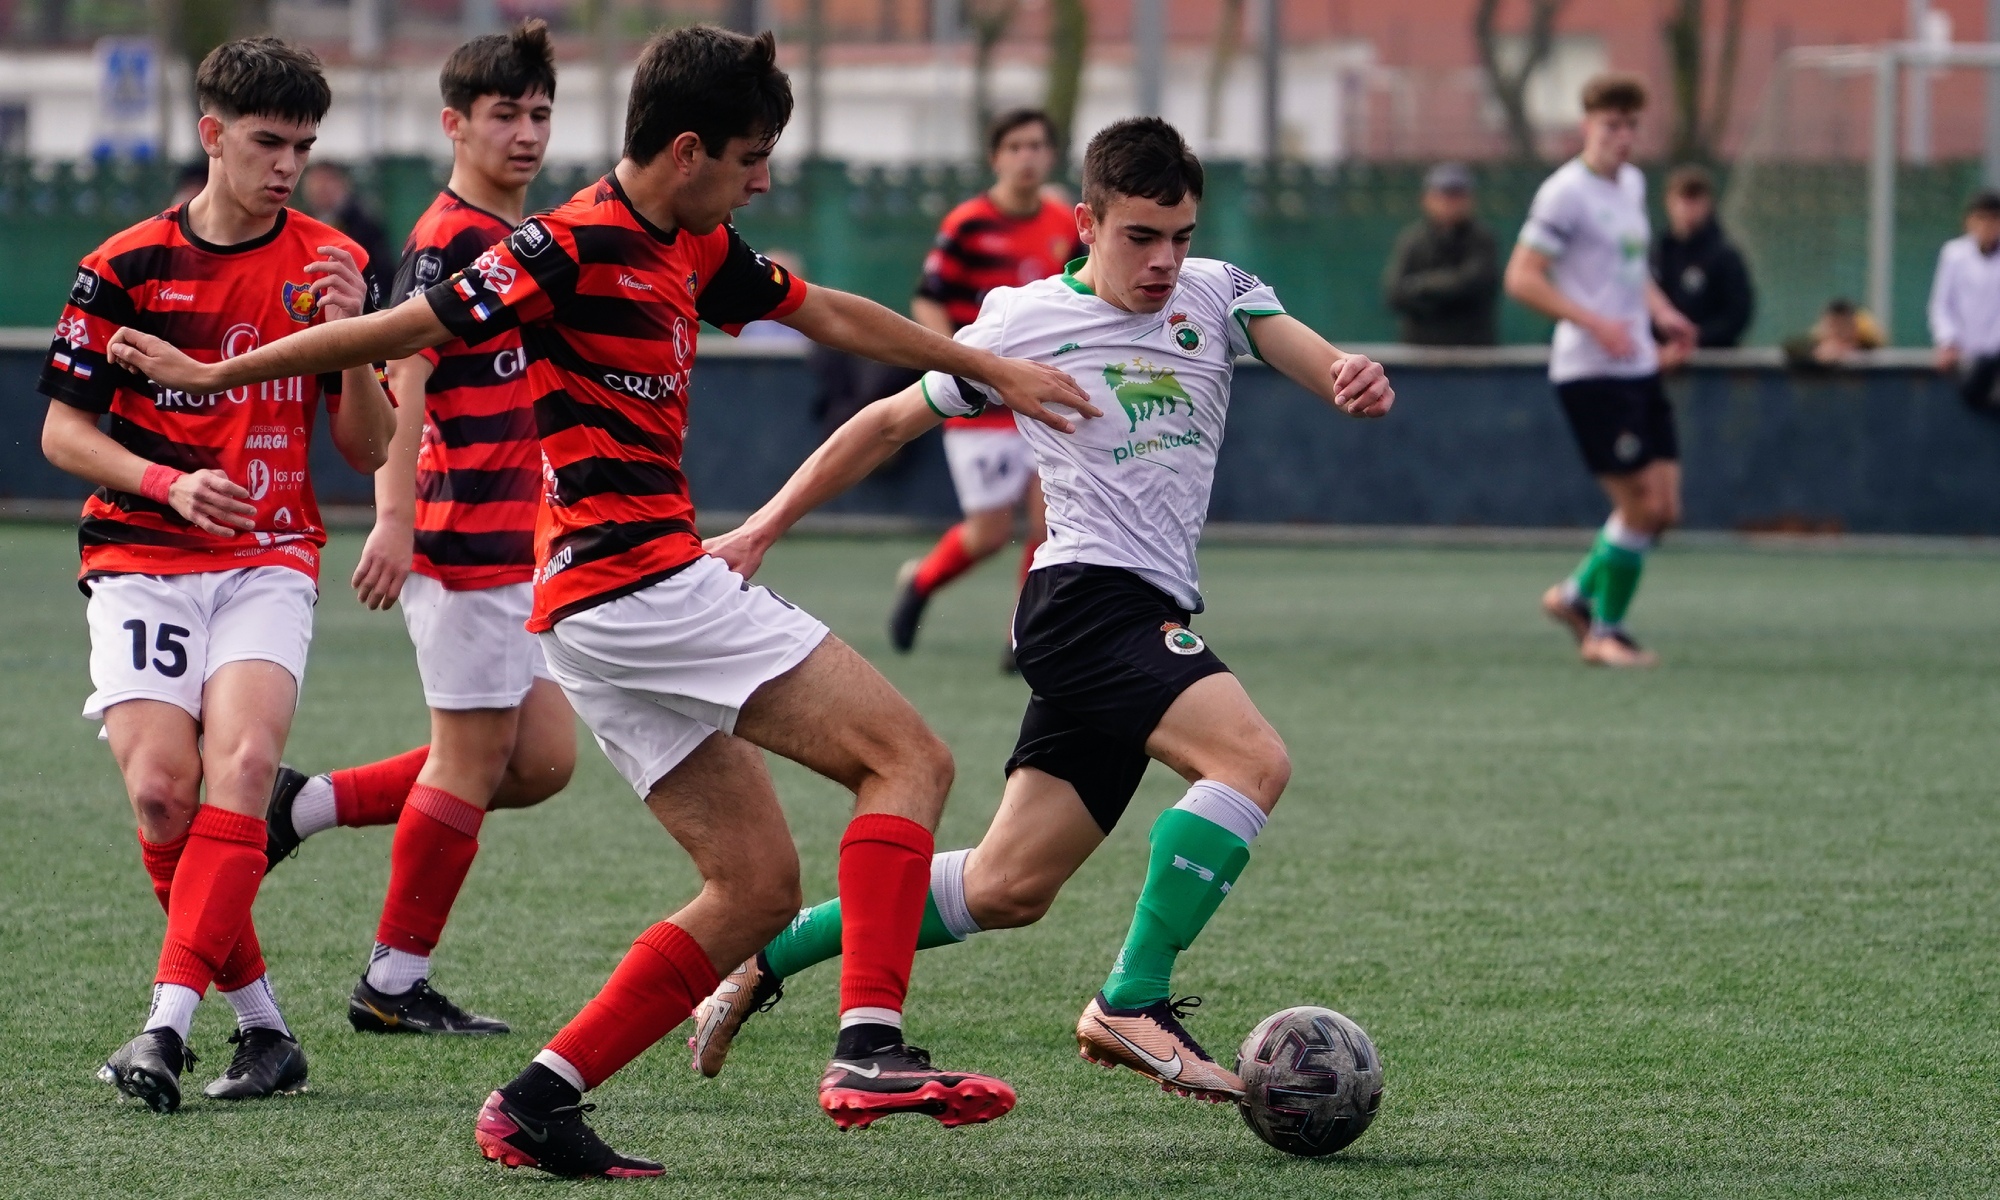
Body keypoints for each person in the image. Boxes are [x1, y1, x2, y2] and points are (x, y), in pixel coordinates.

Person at [107, 25, 1092, 1178]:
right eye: (748, 157)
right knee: (910, 760)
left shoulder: (694, 239)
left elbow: (823, 309)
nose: (762, 180)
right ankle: (869, 1045)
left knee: (754, 888)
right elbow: (409, 330)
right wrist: (219, 373)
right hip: (642, 584)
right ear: (686, 151)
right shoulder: (567, 244)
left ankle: (535, 1101)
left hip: (590, 611)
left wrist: (987, 365)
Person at [685, 117, 1395, 1108]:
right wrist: (761, 529)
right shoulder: (1018, 323)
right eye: (1140, 236)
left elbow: (1313, 360)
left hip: (1143, 603)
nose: (1163, 261)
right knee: (1251, 760)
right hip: (1082, 603)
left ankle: (765, 959)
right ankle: (1129, 1002)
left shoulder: (1219, 293)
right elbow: (888, 420)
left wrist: (1348, 375)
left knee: (1005, 888)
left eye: (1179, 235)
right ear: (1086, 222)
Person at [38, 37, 396, 1112]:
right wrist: (166, 482)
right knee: (161, 796)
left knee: (240, 769)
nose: (288, 164)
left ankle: (164, 1028)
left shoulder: (331, 261)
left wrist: (348, 332)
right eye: (266, 142)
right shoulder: (125, 266)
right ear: (212, 136)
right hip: (141, 556)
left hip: (268, 559)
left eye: (304, 145)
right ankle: (266, 1030)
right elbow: (63, 431)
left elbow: (370, 447)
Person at [260, 21, 572, 1037]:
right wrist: (393, 519)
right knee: (476, 758)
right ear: (455, 124)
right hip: (463, 531)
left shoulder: (525, 235)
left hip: (522, 532)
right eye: (502, 115)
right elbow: (408, 375)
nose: (524, 133)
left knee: (539, 761)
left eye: (537, 114)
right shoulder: (448, 239)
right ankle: (392, 985)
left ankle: (299, 808)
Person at [1504, 72, 1696, 669]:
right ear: (1588, 125)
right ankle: (1605, 633)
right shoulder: (1565, 193)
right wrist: (1594, 322)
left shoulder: (1633, 184)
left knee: (1663, 510)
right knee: (1638, 505)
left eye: (1632, 125)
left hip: (1638, 365)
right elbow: (1523, 277)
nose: (1623, 137)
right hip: (1591, 372)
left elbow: (1632, 274)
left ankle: (1575, 596)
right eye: (1612, 125)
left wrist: (1664, 314)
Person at [893, 107, 1085, 669]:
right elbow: (926, 296)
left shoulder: (1064, 225)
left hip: (1040, 394)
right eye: (1016, 147)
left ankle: (1021, 635)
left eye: (1037, 147)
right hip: (979, 400)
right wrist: (959, 358)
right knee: (989, 532)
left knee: (1049, 522)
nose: (1027, 157)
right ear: (996, 157)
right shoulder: (967, 222)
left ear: (1050, 156)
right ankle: (922, 581)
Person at [1381, 161, 1498, 345]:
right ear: (1426, 199)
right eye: (1443, 195)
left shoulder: (1481, 240)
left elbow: (1474, 284)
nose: (1449, 203)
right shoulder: (1413, 241)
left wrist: (1422, 286)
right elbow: (1395, 294)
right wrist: (1446, 289)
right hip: (1419, 352)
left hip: (1473, 354)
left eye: (1457, 195)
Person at [1649, 164, 1753, 349]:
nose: (1688, 208)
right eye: (1682, 199)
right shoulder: (1658, 253)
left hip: (1711, 362)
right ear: (1668, 202)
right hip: (1663, 358)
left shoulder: (1724, 255)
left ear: (1708, 203)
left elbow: (1738, 313)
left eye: (1695, 199)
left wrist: (1699, 335)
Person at [1927, 190, 2000, 411]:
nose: (1987, 226)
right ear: (1968, 221)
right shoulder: (1953, 254)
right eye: (1980, 218)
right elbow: (1941, 304)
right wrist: (1948, 341)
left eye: (1994, 219)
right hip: (1964, 358)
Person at [302, 160, 392, 286]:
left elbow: (383, 271)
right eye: (315, 181)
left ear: (343, 184)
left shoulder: (364, 223)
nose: (320, 187)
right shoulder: (303, 223)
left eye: (327, 181)